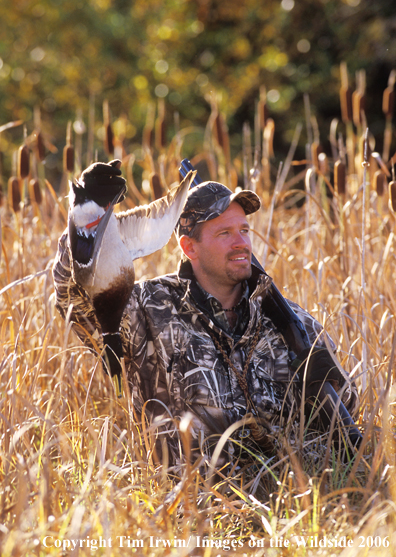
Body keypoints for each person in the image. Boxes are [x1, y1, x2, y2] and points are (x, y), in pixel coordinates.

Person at [53, 162, 358, 468]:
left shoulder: (292, 321)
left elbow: (345, 408)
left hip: (289, 500)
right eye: (224, 233)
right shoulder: (147, 308)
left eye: (244, 230)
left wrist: (324, 374)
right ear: (189, 248)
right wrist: (86, 216)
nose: (241, 242)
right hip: (189, 506)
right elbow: (74, 301)